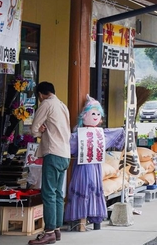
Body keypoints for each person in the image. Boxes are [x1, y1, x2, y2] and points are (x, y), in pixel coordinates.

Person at [64, 96, 123, 231]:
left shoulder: (101, 133)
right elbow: (68, 143)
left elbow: (117, 133)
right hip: (82, 166)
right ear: (84, 116)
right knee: (83, 188)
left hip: (94, 166)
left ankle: (92, 219)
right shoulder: (79, 134)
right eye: (93, 113)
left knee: (94, 189)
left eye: (98, 114)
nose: (96, 116)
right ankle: (81, 221)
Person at [28, 82, 71, 245]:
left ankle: (49, 231)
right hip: (65, 154)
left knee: (48, 193)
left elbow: (33, 129)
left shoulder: (46, 104)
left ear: (40, 94)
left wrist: (40, 132)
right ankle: (57, 229)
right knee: (58, 193)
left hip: (52, 152)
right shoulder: (62, 105)